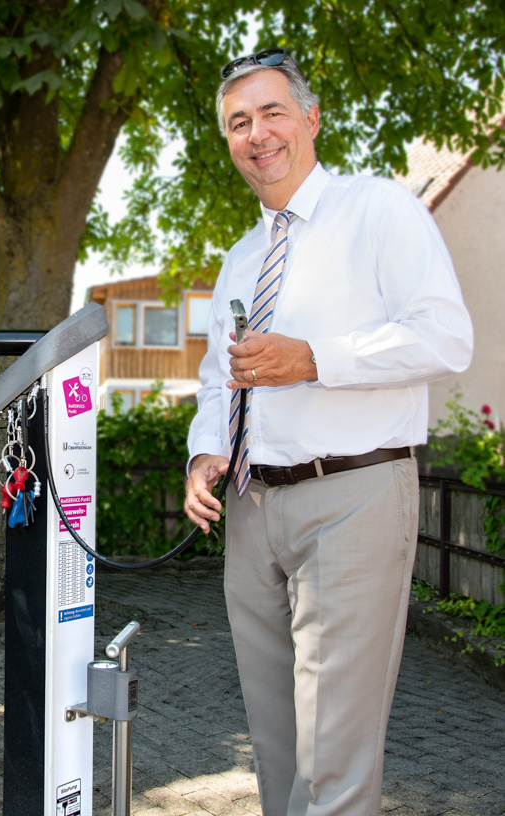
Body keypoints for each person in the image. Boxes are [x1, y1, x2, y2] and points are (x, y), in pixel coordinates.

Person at [184, 51, 472, 815]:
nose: (257, 133)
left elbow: (446, 339)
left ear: (311, 119)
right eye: (238, 122)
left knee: (333, 756)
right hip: (250, 512)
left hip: (354, 496)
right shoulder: (241, 259)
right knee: (276, 749)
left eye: (272, 112)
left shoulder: (380, 210)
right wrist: (205, 451)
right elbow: (221, 379)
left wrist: (315, 359)